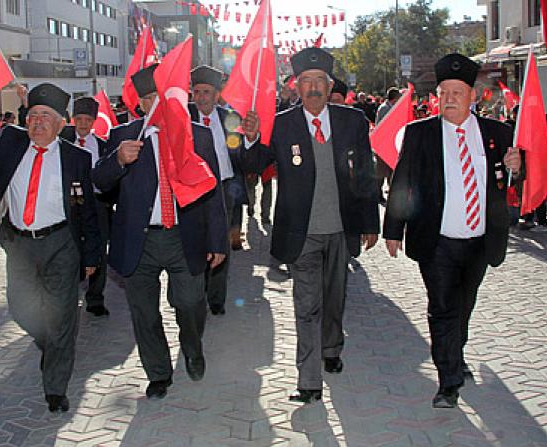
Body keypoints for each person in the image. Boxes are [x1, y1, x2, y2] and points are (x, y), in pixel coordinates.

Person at [0, 82, 102, 413]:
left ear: (61, 124)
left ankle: (55, 389)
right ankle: (49, 342)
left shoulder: (76, 159)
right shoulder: (11, 143)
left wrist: (92, 256)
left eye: (47, 116)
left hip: (62, 244)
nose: (38, 122)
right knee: (20, 307)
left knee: (62, 316)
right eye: (33, 115)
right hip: (20, 243)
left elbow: (88, 211)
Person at [240, 48, 380, 404]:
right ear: (296, 86)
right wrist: (252, 137)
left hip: (340, 229)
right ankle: (309, 380)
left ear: (330, 85)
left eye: (320, 81)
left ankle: (331, 347)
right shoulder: (282, 124)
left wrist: (369, 222)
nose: (314, 88)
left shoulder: (352, 121)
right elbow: (254, 164)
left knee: (334, 300)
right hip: (301, 233)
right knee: (307, 306)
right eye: (306, 82)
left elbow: (365, 174)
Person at [383, 53, 522, 409]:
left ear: (473, 96)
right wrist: (393, 230)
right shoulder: (420, 133)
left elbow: (513, 182)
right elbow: (403, 182)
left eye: (457, 92)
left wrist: (516, 168)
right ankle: (448, 380)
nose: (448, 98)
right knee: (442, 306)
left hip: (479, 240)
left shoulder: (497, 133)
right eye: (443, 92)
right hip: (437, 241)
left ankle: (454, 353)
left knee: (464, 304)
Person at [91, 64, 228, 400]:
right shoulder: (125, 136)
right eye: (150, 99)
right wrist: (118, 162)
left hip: (185, 237)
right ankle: (158, 372)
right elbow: (99, 183)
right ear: (140, 103)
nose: (157, 105)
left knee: (190, 302)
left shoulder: (198, 134)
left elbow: (212, 192)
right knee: (144, 311)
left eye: (163, 98)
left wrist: (218, 241)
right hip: (139, 240)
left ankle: (192, 346)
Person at [188, 65, 248, 316]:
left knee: (220, 242)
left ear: (216, 94)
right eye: (197, 91)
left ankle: (216, 298)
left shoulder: (230, 119)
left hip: (222, 190)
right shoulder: (183, 117)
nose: (201, 97)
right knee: (195, 242)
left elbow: (241, 155)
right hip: (191, 191)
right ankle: (194, 293)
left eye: (207, 92)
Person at [59, 96, 115, 317]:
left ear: (94, 121)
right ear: (73, 119)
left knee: (99, 250)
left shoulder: (104, 146)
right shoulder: (62, 142)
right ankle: (67, 295)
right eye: (79, 118)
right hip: (69, 204)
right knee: (68, 248)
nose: (83, 123)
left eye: (87, 119)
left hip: (97, 205)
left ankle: (95, 298)